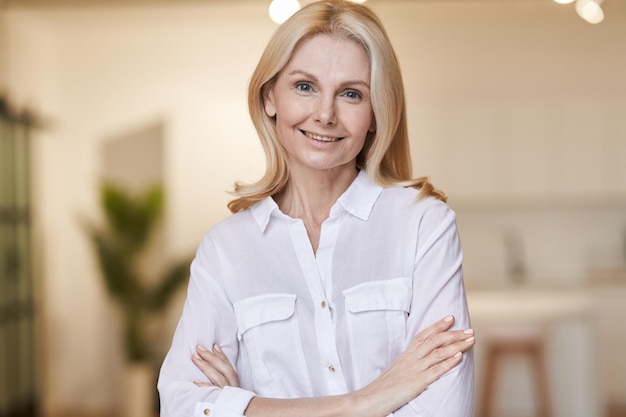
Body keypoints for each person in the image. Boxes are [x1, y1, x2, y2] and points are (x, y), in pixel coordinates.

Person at [157, 1, 475, 416]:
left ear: (376, 112)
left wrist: (246, 406)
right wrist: (367, 400)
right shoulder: (226, 249)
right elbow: (182, 406)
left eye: (351, 94)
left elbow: (445, 410)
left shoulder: (423, 224)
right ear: (270, 96)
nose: (325, 115)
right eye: (304, 86)